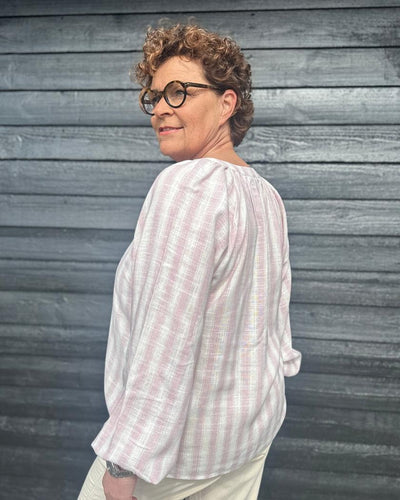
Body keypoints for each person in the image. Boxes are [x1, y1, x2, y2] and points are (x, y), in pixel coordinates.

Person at [78, 23, 301, 500]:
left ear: (226, 103)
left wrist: (123, 462)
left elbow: (165, 336)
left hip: (172, 460)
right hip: (247, 438)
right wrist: (279, 370)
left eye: (178, 92)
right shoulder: (266, 196)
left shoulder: (187, 187)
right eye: (154, 96)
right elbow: (274, 317)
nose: (160, 108)